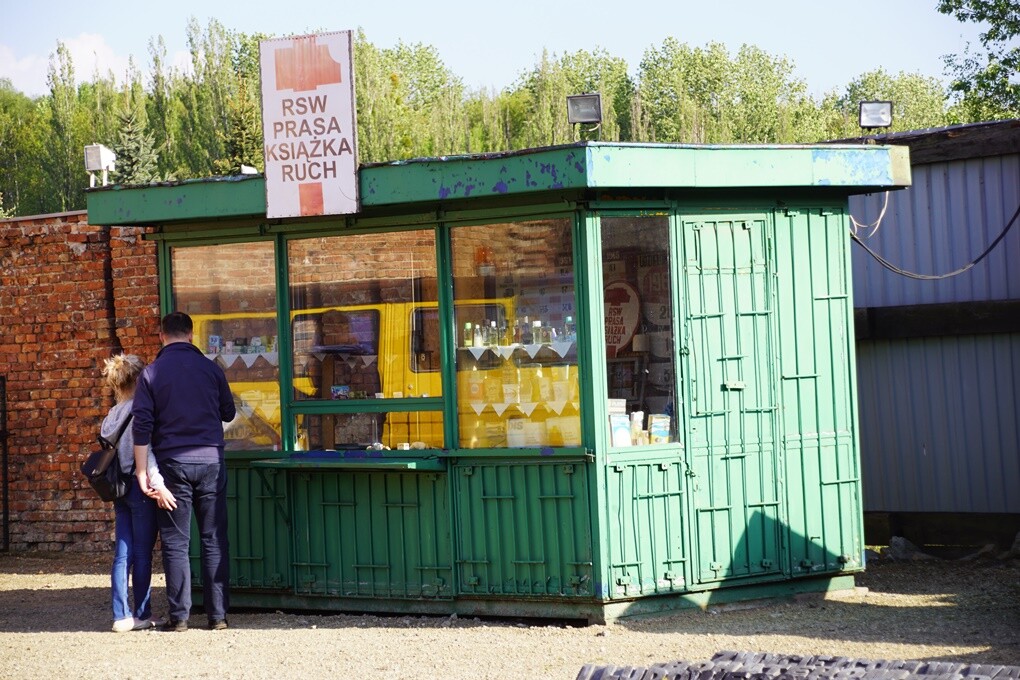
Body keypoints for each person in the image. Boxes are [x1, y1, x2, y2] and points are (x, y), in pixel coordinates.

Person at [132, 311, 236, 632]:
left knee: (177, 544)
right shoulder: (211, 369)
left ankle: (180, 618)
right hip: (211, 463)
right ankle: (218, 616)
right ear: (192, 335)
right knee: (213, 539)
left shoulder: (150, 373)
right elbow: (228, 412)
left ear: (161, 336)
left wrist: (141, 472)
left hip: (173, 465)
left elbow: (142, 427)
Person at [100, 354, 176, 633]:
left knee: (123, 553)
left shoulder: (112, 415)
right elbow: (147, 453)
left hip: (118, 487)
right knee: (143, 554)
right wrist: (157, 484)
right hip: (139, 486)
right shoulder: (140, 412)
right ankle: (142, 613)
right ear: (140, 379)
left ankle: (120, 614)